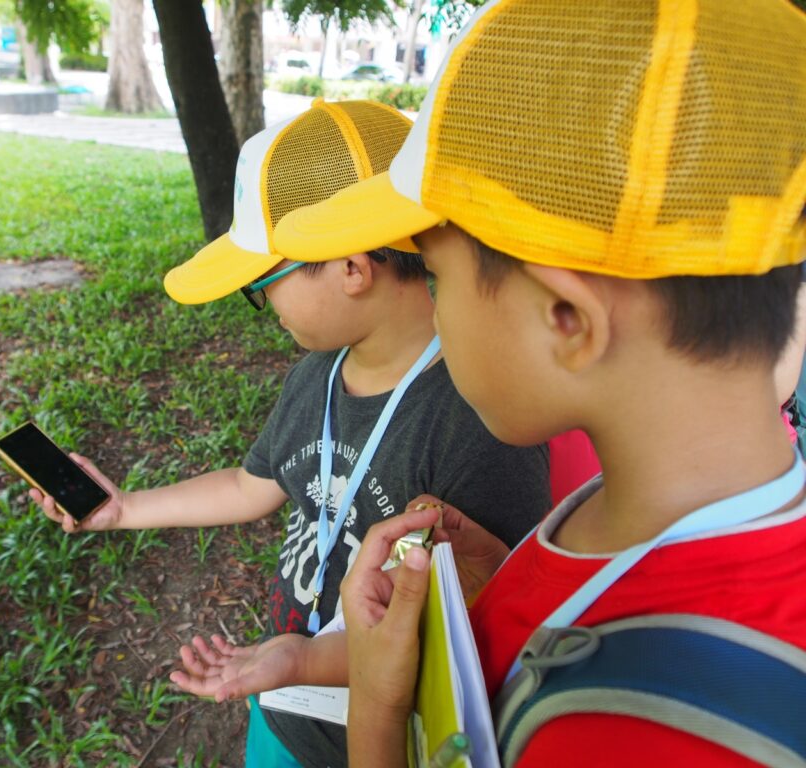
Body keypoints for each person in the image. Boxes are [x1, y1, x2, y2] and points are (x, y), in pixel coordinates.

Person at [265, 0, 806, 764]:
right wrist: (502, 593)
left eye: (437, 277)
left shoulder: (639, 733)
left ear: (567, 318)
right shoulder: (647, 508)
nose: (434, 310)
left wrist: (379, 709)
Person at [30, 99, 551, 768]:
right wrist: (122, 508)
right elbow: (252, 485)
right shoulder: (318, 375)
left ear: (352, 268)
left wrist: (301, 659)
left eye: (262, 283)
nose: (263, 304)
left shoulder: (480, 422)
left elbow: (468, 628)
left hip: (388, 739)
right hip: (282, 695)